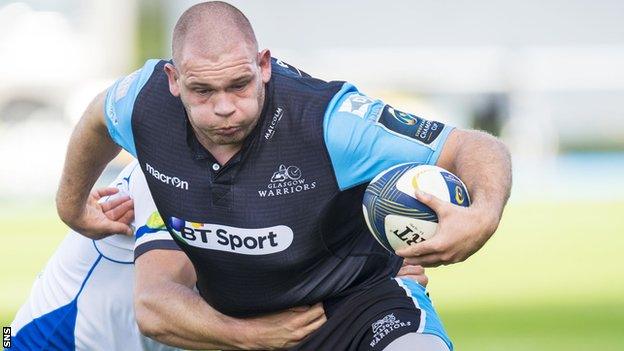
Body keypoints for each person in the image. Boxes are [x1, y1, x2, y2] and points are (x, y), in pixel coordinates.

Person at [55, 2, 512, 350]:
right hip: (232, 330)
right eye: (202, 90)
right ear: (174, 80)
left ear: (264, 65)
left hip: (356, 307)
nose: (224, 107)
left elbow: (468, 145)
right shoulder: (143, 103)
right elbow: (98, 117)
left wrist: (484, 212)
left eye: (239, 84)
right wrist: (71, 205)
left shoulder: (330, 121)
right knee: (11, 339)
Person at [11, 160, 430, 350]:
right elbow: (156, 308)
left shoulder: (273, 194)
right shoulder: (164, 174)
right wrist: (256, 337)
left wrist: (385, 276)